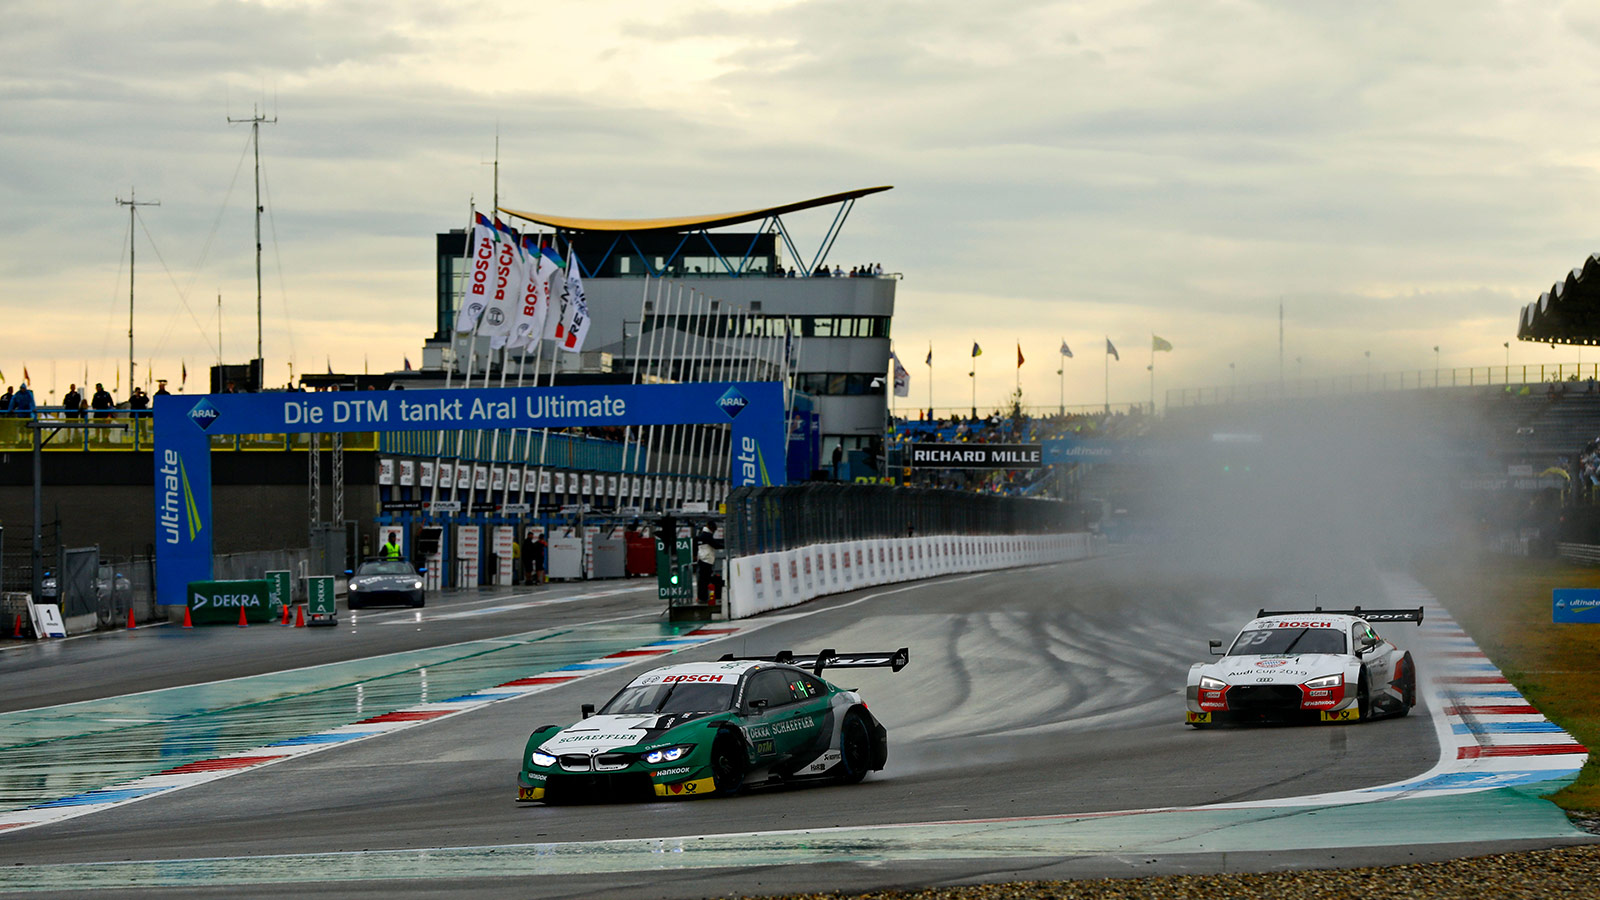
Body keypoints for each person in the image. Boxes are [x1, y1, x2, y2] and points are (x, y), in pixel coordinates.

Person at [695, 520, 722, 605]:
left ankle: (702, 597)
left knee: (703, 580)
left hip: (703, 559)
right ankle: (703, 598)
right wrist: (725, 546)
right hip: (706, 560)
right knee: (705, 580)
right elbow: (715, 545)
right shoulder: (707, 536)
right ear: (711, 528)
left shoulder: (702, 535)